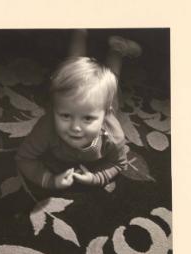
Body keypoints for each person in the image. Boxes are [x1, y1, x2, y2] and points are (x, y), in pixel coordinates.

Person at [15, 31, 141, 191]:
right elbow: (24, 158)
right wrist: (50, 180)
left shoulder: (114, 137)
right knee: (74, 63)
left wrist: (96, 178)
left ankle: (118, 49)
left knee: (113, 77)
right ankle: (79, 31)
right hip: (79, 101)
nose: (75, 127)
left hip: (106, 102)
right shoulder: (46, 127)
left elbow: (118, 163)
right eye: (66, 116)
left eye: (88, 118)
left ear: (104, 115)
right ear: (54, 108)